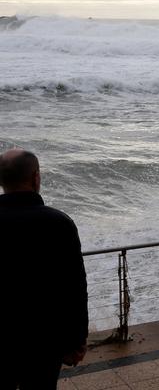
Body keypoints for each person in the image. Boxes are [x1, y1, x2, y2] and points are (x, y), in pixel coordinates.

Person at [0, 149, 88, 389]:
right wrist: (77, 340)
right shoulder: (58, 223)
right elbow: (75, 287)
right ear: (36, 177)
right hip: (45, 341)